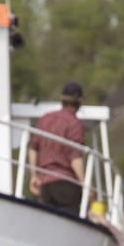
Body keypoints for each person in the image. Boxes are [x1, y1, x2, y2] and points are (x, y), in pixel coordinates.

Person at [28, 81, 86, 212]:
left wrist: (34, 175)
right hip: (66, 184)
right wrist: (84, 185)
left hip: (45, 185)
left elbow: (32, 148)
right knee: (70, 225)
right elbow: (75, 158)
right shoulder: (74, 123)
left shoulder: (45, 119)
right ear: (80, 100)